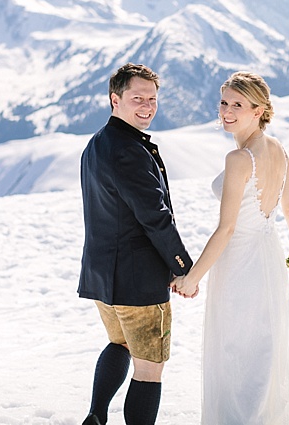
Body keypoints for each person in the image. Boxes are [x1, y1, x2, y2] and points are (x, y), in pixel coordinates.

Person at [172, 71, 289, 425]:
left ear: (259, 110)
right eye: (223, 102)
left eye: (238, 105)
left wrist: (193, 278)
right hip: (268, 258)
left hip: (239, 263)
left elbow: (227, 228)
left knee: (235, 352)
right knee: (261, 350)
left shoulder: (239, 159)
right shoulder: (278, 149)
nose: (226, 111)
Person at [78, 63, 195, 425]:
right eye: (137, 98)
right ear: (115, 99)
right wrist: (183, 268)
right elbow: (154, 217)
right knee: (150, 368)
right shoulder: (128, 150)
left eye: (152, 99)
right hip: (138, 282)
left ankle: (96, 416)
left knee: (120, 344)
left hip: (102, 278)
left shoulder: (98, 143)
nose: (147, 106)